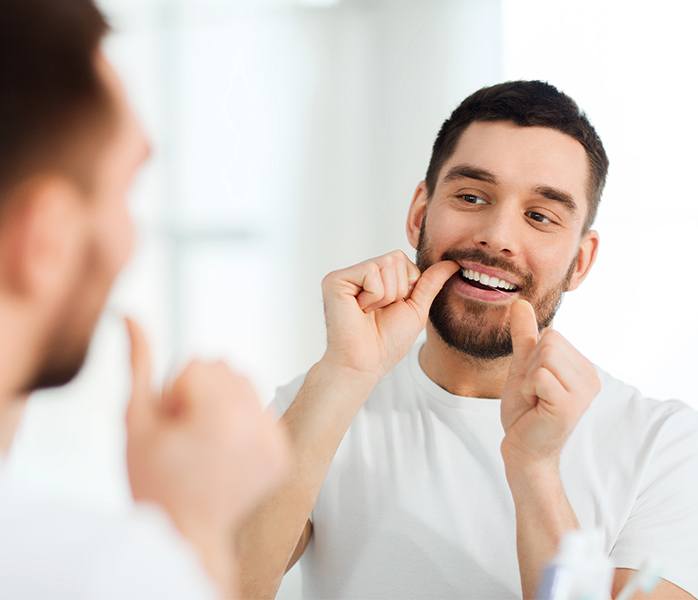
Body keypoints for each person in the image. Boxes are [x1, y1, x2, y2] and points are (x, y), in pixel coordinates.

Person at [237, 81, 698, 599]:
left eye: (540, 216)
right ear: (419, 214)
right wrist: (343, 376)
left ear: (580, 262)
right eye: (471, 196)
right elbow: (225, 587)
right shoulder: (319, 404)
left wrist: (537, 472)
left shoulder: (664, 445)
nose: (498, 235)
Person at [0, 0, 288, 598]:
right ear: (46, 240)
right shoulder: (96, 576)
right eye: (125, 187)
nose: (130, 237)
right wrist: (195, 534)